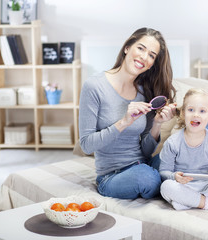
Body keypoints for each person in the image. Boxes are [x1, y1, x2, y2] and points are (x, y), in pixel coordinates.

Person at [78, 27, 177, 200]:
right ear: (127, 47)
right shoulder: (94, 86)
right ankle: (173, 182)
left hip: (144, 165)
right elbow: (86, 145)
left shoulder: (145, 92)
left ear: (153, 63)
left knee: (186, 149)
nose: (144, 57)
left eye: (152, 55)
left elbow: (146, 152)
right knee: (147, 178)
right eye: (141, 48)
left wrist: (157, 124)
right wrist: (124, 122)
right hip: (112, 176)